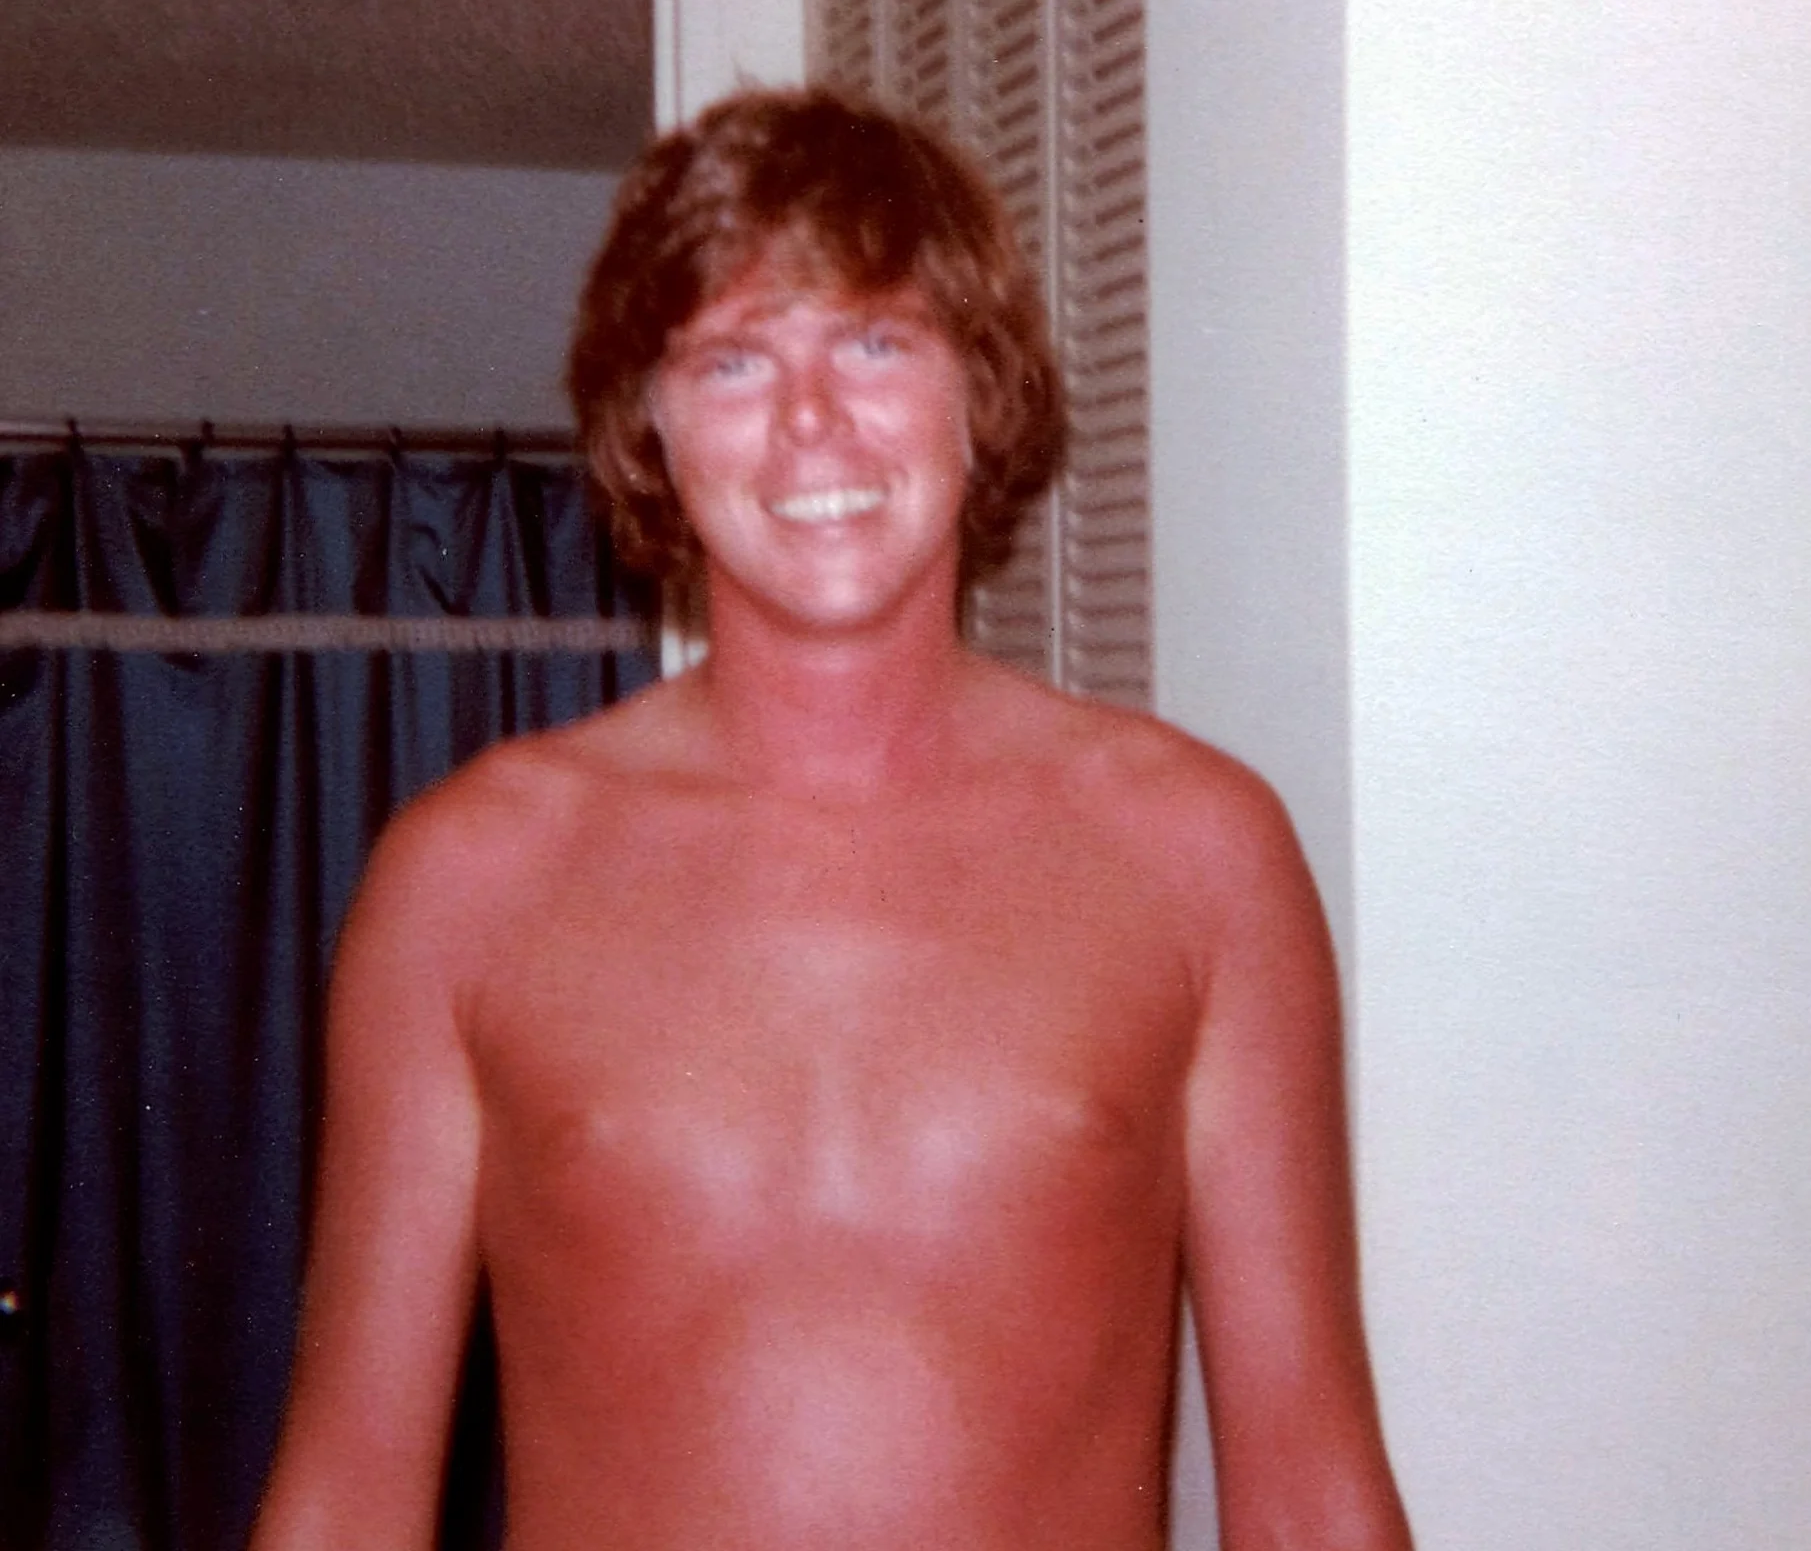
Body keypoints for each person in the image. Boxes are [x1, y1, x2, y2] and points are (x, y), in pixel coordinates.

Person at [252, 86, 1412, 1551]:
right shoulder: (471, 876)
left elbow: (1311, 1491)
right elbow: (346, 1497)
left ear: (978, 390)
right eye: (734, 361)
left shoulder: (1196, 851)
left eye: (874, 342)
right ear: (652, 424)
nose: (812, 421)